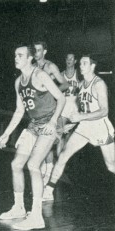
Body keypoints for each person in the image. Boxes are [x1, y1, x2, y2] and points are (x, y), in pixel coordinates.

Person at [0, 43, 65, 230]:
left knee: (33, 164)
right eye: (15, 55)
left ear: (30, 58)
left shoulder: (40, 75)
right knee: (16, 164)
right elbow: (20, 111)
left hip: (51, 123)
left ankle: (36, 216)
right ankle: (19, 207)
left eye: (20, 55)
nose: (16, 58)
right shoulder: (18, 82)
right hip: (34, 124)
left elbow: (61, 98)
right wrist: (6, 133)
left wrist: (52, 122)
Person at [43, 54, 115, 201]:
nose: (81, 66)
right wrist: (71, 124)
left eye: (84, 63)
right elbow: (82, 111)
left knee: (111, 166)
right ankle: (48, 191)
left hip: (100, 127)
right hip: (85, 127)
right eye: (80, 63)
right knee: (63, 155)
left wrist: (80, 117)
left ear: (92, 66)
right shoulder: (81, 85)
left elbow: (104, 111)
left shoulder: (99, 84)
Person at [33, 41, 70, 185]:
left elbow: (65, 84)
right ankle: (44, 169)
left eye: (39, 50)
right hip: (37, 108)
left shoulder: (50, 66)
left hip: (50, 107)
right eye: (34, 50)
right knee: (39, 140)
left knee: (46, 139)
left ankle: (48, 173)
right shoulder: (32, 67)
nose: (36, 53)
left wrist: (51, 93)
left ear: (45, 52)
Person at [57, 52, 80, 155]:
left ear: (75, 61)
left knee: (69, 138)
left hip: (75, 108)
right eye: (67, 58)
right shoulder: (61, 75)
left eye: (71, 59)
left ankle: (63, 160)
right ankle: (57, 161)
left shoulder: (79, 74)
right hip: (64, 106)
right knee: (59, 134)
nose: (69, 60)